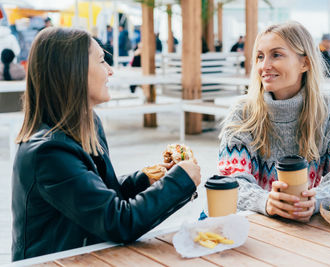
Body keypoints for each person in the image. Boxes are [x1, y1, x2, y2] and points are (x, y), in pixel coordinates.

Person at [11, 27, 201, 261]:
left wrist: (147, 179)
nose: (110, 71)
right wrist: (182, 180)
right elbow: (118, 222)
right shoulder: (48, 152)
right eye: (102, 61)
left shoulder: (88, 123)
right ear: (73, 71)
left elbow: (98, 192)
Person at [218, 21, 330, 223]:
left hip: (307, 229)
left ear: (305, 63)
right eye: (260, 57)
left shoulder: (329, 107)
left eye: (276, 55)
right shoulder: (243, 111)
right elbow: (231, 179)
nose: (264, 66)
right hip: (253, 228)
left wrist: (316, 200)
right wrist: (266, 201)